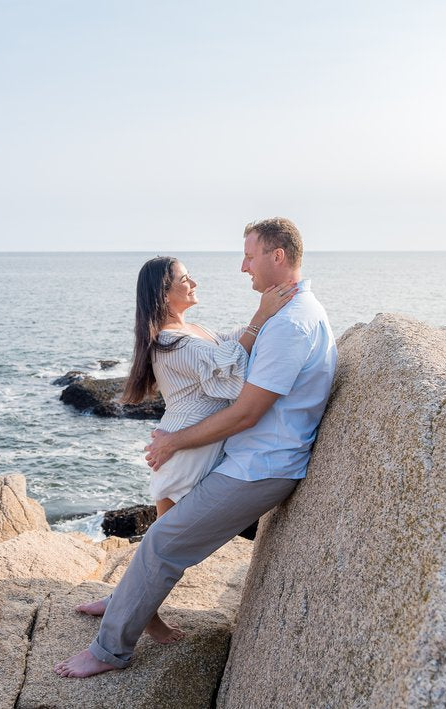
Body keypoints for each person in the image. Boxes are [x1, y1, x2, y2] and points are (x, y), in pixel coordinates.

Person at [55, 217, 337, 678]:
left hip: (260, 466)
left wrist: (172, 441)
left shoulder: (289, 324)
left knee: (162, 542)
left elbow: (245, 412)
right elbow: (230, 362)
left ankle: (108, 651)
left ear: (277, 256)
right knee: (163, 537)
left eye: (250, 255)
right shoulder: (289, 314)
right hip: (243, 457)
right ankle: (125, 603)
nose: (244, 267)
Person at [73, 255, 295, 643]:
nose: (194, 283)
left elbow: (228, 345)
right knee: (164, 545)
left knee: (161, 540)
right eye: (185, 279)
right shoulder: (169, 340)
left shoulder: (189, 329)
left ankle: (119, 599)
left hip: (188, 441)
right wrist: (261, 317)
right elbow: (227, 367)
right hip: (184, 450)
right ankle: (145, 617)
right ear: (164, 292)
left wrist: (268, 318)